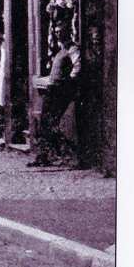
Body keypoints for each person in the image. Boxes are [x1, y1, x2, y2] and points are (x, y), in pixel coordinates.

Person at [29, 28, 81, 167]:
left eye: (60, 31)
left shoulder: (72, 49)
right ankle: (44, 156)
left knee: (52, 122)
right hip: (51, 89)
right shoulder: (59, 51)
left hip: (60, 90)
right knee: (45, 122)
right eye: (56, 31)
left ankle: (69, 153)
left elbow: (77, 67)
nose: (58, 34)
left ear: (67, 32)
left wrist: (68, 82)